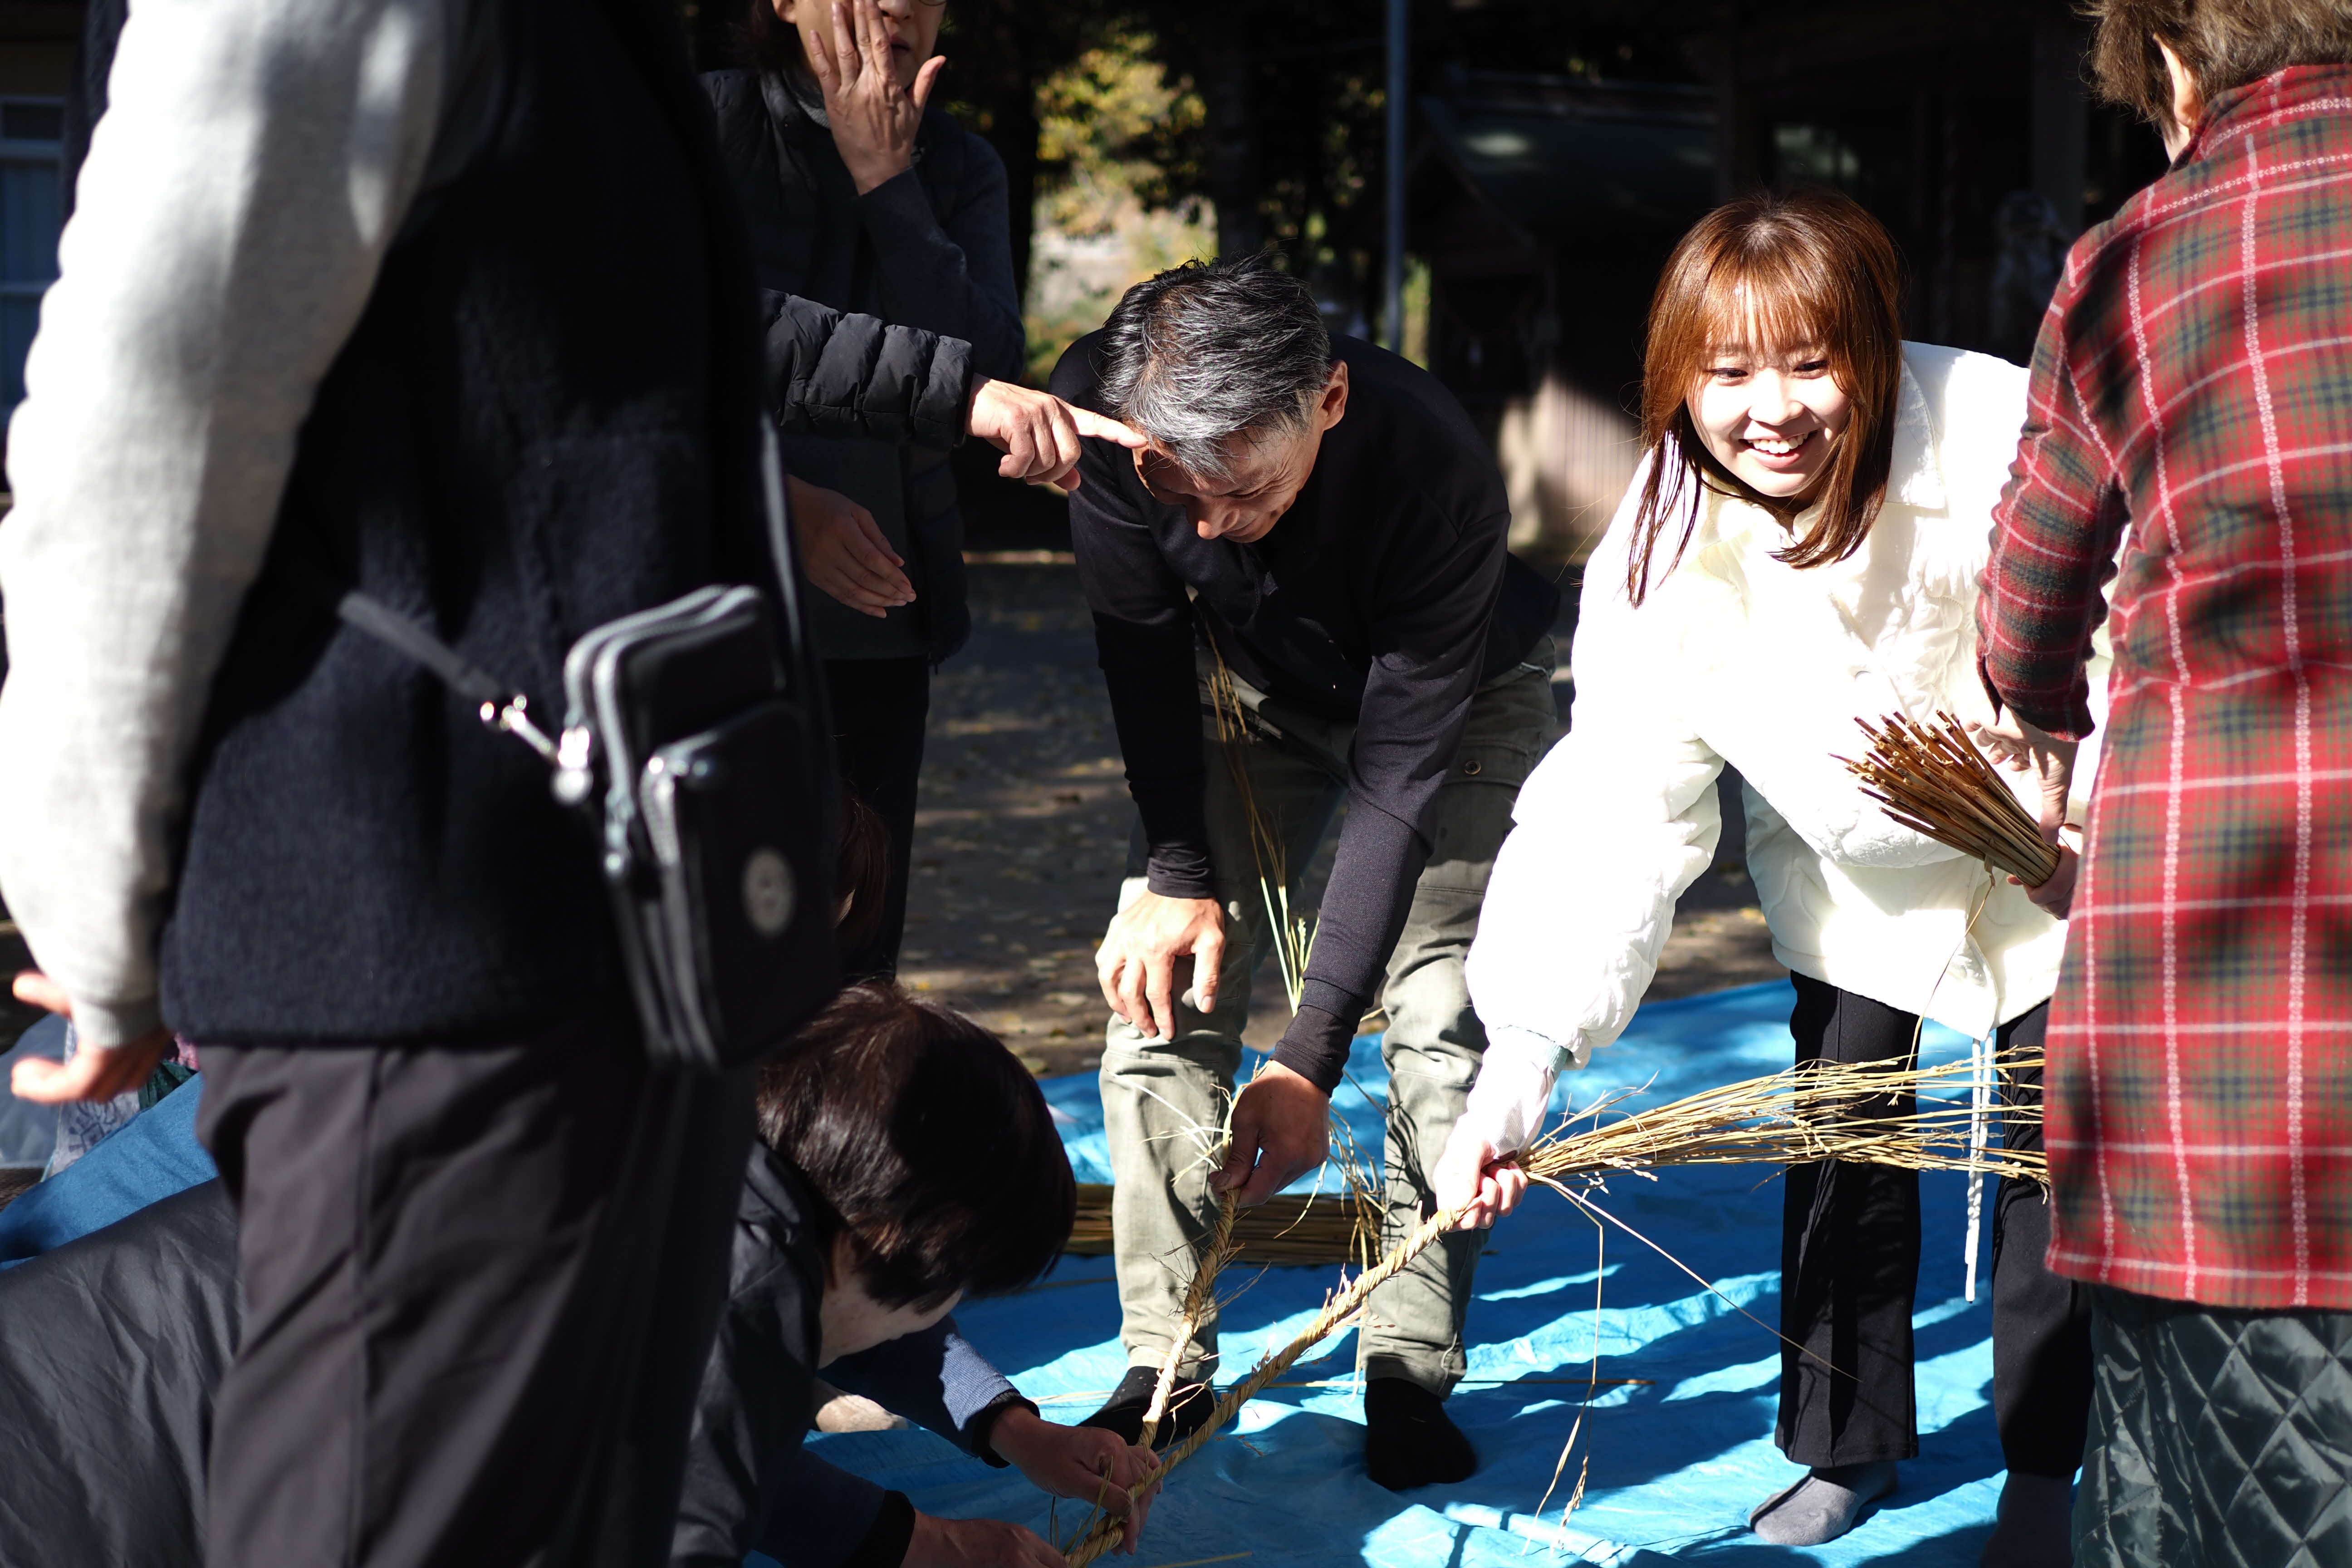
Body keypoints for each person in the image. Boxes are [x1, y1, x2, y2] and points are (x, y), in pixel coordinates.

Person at [1437, 190, 2098, 1559]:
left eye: (1812, 362)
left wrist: (2097, 816)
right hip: (1853, 875)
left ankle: (2048, 1459)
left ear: (1875, 341)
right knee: (1846, 1141)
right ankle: (1846, 1443)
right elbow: (1617, 800)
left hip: (2060, 855)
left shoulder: (1999, 431)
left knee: (2054, 1157)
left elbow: (2134, 628)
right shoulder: (1662, 544)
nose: (1773, 408)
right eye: (1727, 372)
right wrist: (1523, 1055)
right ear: (1678, 377)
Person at [1049, 253, 1563, 1490]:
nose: (1211, 524)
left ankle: (1406, 1354)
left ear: (1327, 401)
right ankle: (1161, 1358)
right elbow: (1141, 655)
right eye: (1180, 488)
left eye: (1247, 487)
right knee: (1163, 980)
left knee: (1440, 1008)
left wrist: (1313, 1046)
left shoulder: (1432, 470)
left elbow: (1397, 780)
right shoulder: (1104, 416)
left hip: (1457, 707)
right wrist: (1178, 870)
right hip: (1251, 701)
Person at [1973, 5, 2352, 1564]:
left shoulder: (2136, 256)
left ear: (2179, 63)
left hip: (2234, 1067)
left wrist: (2041, 715)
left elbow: (2024, 612)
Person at [705, 0, 1025, 980]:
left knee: (854, 968)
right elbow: (638, 359)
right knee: (710, 953)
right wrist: (779, 501)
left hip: (882, 633)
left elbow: (986, 376)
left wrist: (889, 180)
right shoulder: (706, 125)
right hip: (709, 624)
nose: (893, 5)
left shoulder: (962, 167)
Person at [673, 982, 1161, 1568]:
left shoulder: (761, 1175)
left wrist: (1017, 1431)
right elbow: (706, 1479)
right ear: (885, 1240)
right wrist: (932, 1543)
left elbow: (861, 1329)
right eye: (951, 1284)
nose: (946, 1307)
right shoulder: (733, 1309)